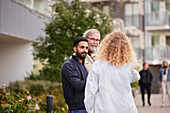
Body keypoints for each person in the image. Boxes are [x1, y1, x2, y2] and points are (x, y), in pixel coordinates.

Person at [84, 31, 140, 113]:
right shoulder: (128, 66)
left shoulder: (97, 65)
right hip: (126, 108)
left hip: (103, 108)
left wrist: (90, 110)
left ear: (106, 46)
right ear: (126, 48)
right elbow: (136, 76)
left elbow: (90, 92)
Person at [61, 37, 88, 113]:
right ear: (75, 49)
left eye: (86, 48)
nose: (85, 50)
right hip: (76, 109)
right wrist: (93, 81)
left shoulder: (83, 65)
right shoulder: (68, 65)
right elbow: (78, 85)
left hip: (86, 107)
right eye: (82, 47)